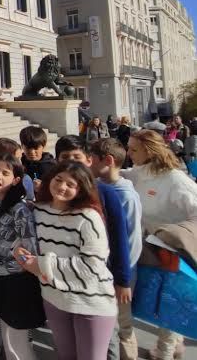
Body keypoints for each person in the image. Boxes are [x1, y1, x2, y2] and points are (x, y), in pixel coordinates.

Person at [17, 161, 118, 360]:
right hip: (54, 298)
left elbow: (93, 265)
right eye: (58, 179)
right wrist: (19, 253)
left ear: (81, 189)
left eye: (71, 185)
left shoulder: (88, 217)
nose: (62, 187)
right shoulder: (38, 211)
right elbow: (24, 241)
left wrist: (42, 265)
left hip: (91, 301)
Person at [123, 129, 197, 360]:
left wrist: (178, 234)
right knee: (157, 297)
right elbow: (116, 175)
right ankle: (174, 345)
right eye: (128, 147)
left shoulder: (176, 180)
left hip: (175, 250)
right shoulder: (137, 174)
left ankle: (164, 353)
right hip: (150, 246)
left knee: (170, 299)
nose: (129, 152)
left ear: (150, 151)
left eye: (134, 149)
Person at [55, 136, 133, 303]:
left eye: (77, 157)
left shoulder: (105, 193)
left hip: (98, 277)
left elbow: (119, 237)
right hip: (62, 277)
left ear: (89, 160)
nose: (71, 162)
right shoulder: (52, 193)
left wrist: (123, 280)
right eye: (64, 157)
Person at [0, 153, 45, 360]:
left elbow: (29, 252)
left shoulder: (20, 209)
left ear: (16, 180)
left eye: (5, 172)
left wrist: (3, 265)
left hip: (16, 282)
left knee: (15, 342)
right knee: (9, 337)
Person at [90, 138, 142, 360]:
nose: (89, 164)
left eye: (92, 160)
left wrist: (122, 279)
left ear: (108, 161)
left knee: (123, 324)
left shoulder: (124, 195)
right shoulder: (105, 187)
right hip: (110, 271)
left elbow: (128, 241)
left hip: (121, 273)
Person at [19, 126, 55, 192]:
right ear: (22, 146)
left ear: (44, 146)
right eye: (28, 148)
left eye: (36, 148)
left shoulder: (50, 166)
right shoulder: (20, 161)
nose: (32, 152)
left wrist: (44, 187)